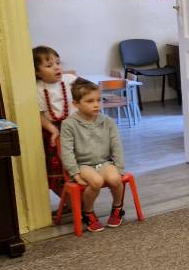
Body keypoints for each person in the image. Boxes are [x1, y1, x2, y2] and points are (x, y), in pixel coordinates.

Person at [59, 78, 126, 232]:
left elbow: (117, 147)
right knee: (96, 181)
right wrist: (75, 173)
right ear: (76, 104)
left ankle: (117, 207)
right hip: (83, 165)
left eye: (98, 100)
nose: (96, 104)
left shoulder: (108, 121)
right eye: (90, 101)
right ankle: (88, 212)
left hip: (105, 162)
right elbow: (67, 152)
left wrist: (119, 168)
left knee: (115, 179)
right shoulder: (68, 124)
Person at [35, 45, 78, 199]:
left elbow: (88, 93)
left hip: (75, 129)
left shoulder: (71, 80)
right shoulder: (37, 89)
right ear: (37, 72)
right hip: (53, 132)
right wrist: (53, 129)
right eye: (49, 65)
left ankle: (82, 201)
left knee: (80, 165)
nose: (56, 67)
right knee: (58, 169)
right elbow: (39, 115)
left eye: (58, 63)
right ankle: (69, 202)